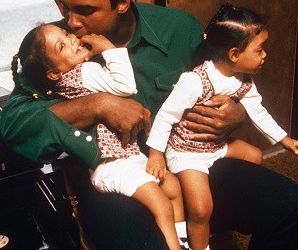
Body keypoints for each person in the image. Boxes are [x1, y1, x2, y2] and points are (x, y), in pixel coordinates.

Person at [0, 0, 298, 249]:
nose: (72, 22)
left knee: (294, 207)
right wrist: (98, 104)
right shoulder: (52, 47)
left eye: (85, 10)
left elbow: (228, 74)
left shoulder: (180, 29)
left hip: (187, 163)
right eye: (64, 7)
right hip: (113, 183)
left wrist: (236, 112)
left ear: (122, 2)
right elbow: (15, 125)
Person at [146, 4, 298, 250]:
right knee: (201, 209)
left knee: (254, 156)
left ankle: (221, 212)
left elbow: (258, 112)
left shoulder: (243, 81)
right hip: (188, 152)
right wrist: (156, 154)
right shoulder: (195, 81)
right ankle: (200, 241)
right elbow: (166, 116)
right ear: (234, 54)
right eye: (260, 49)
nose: (265, 55)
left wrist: (284, 139)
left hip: (216, 145)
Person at [11, 23, 185, 249]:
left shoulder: (61, 82)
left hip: (125, 159)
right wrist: (108, 48)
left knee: (171, 186)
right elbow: (125, 86)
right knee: (162, 204)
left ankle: (181, 240)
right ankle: (176, 245)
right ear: (54, 72)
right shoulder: (84, 73)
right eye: (62, 45)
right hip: (114, 164)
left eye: (66, 34)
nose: (72, 39)